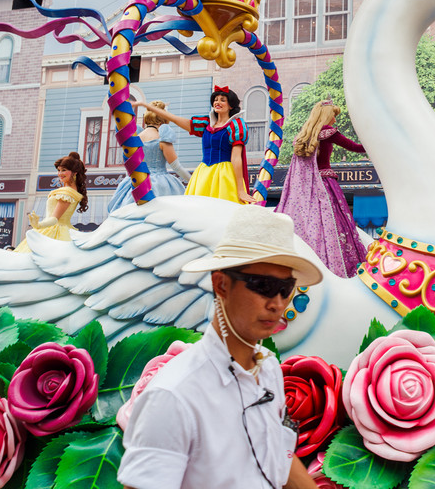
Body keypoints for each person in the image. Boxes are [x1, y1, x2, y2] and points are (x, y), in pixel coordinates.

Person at [118, 203, 321, 489]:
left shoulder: (268, 369)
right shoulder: (173, 394)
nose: (276, 303)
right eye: (262, 285)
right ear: (222, 285)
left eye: (285, 289)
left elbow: (277, 456)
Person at [276, 100, 366, 277]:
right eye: (333, 115)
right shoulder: (329, 133)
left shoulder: (303, 136)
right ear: (326, 115)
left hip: (308, 190)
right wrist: (376, 140)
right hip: (325, 185)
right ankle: (334, 262)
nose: (334, 119)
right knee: (334, 223)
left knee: (315, 223)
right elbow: (356, 148)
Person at [134, 87, 254, 204]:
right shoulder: (206, 124)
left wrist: (240, 190)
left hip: (224, 174)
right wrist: (146, 106)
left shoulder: (236, 125)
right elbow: (175, 119)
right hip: (203, 174)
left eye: (223, 100)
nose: (218, 102)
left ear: (231, 105)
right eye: (216, 99)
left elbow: (236, 158)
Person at [108, 100, 191, 212]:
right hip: (160, 184)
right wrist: (192, 180)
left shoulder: (136, 138)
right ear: (164, 119)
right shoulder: (162, 138)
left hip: (135, 182)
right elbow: (176, 167)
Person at [15, 153, 89, 253]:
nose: (60, 174)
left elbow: (54, 219)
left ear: (75, 173)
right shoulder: (69, 190)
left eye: (64, 170)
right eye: (58, 170)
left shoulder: (67, 193)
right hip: (59, 230)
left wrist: (38, 225)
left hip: (54, 232)